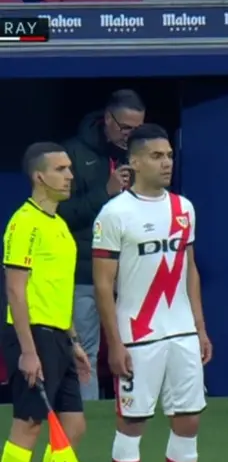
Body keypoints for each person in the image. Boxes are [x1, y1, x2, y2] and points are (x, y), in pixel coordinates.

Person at [91, 124, 213, 462]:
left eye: (169, 155)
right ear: (135, 162)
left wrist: (200, 328)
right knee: (132, 422)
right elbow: (104, 284)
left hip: (180, 331)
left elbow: (190, 269)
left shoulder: (184, 208)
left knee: (189, 420)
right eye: (157, 156)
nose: (166, 162)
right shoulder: (114, 213)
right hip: (137, 334)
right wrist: (114, 342)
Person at [1, 142, 93, 462]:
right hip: (31, 334)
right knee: (29, 424)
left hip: (57, 335)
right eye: (61, 169)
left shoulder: (59, 227)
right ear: (40, 176)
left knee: (73, 426)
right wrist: (27, 350)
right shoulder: (24, 223)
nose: (70, 175)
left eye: (70, 168)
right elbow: (15, 290)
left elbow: (58, 290)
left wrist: (73, 340)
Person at [59, 89, 146, 402]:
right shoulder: (71, 155)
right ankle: (88, 417)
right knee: (87, 350)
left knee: (139, 344)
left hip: (134, 271)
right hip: (87, 273)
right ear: (108, 119)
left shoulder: (139, 154)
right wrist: (105, 192)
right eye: (125, 128)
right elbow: (62, 215)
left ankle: (138, 410)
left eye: (138, 129)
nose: (131, 136)